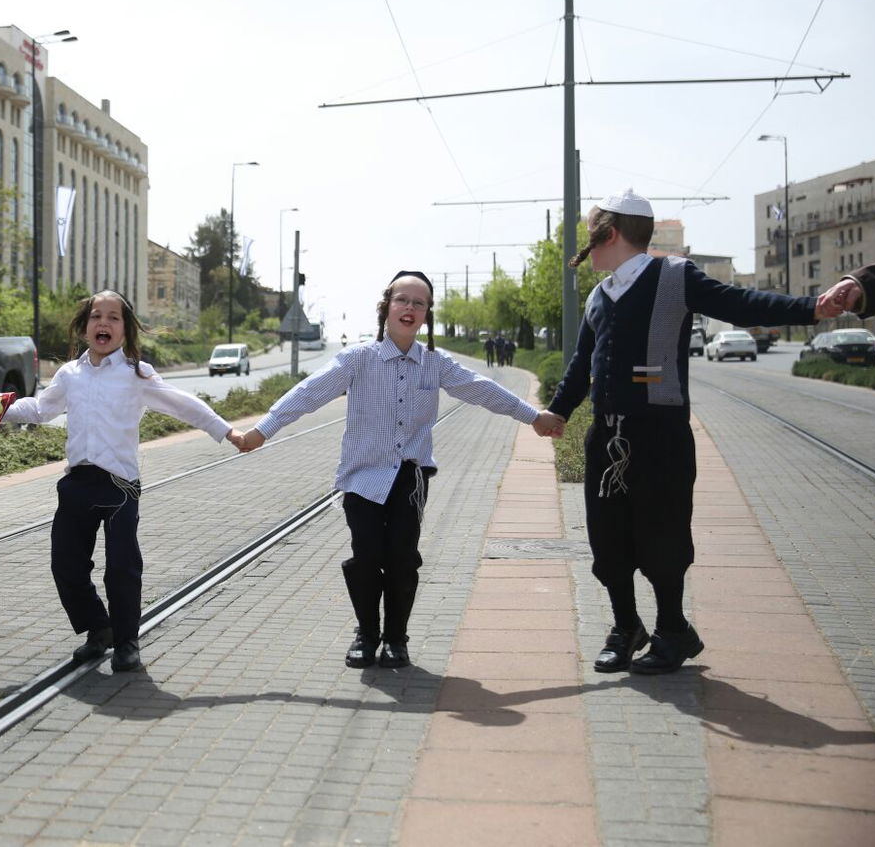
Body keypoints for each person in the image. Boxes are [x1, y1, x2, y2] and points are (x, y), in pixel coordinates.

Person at [546, 189, 843, 675]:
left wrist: (812, 309)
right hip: (608, 438)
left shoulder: (674, 277)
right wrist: (557, 412)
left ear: (610, 234)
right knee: (608, 539)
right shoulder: (600, 295)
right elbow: (582, 364)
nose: (587, 245)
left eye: (591, 234)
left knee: (662, 536)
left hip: (660, 437)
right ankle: (626, 627)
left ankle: (672, 631)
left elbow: (742, 304)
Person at [235, 271, 565, 668]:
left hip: (409, 477)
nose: (409, 308)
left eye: (419, 303)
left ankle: (396, 638)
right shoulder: (358, 360)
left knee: (403, 559)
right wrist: (261, 431)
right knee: (366, 556)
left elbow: (483, 389)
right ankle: (366, 633)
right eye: (402, 300)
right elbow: (308, 394)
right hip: (361, 477)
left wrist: (533, 416)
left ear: (427, 315)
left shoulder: (435, 364)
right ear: (386, 307)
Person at [0, 290, 244, 672]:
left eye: (114, 318)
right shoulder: (69, 375)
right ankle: (99, 629)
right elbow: (40, 409)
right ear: (84, 327)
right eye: (96, 316)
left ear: (126, 330)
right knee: (66, 565)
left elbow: (182, 403)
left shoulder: (137, 375)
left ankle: (127, 642)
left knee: (122, 568)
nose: (104, 323)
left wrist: (227, 432)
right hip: (77, 483)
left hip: (120, 487)